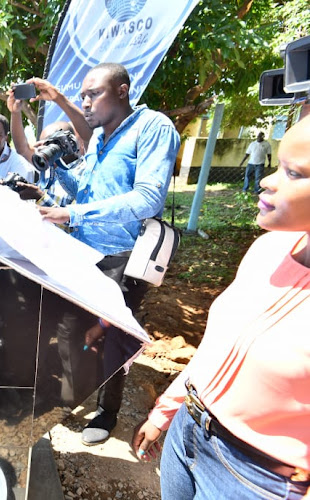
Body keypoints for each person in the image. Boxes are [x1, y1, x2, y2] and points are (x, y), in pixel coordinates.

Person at [131, 114, 310, 500]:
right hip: (188, 433)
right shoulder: (270, 248)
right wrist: (165, 413)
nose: (266, 180)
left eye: (294, 173)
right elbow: (217, 351)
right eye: (277, 165)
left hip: (257, 479)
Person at [36, 63, 180, 446]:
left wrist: (72, 213)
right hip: (83, 253)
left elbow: (148, 198)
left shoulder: (154, 128)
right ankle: (70, 393)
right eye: (82, 95)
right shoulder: (100, 137)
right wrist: (55, 176)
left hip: (125, 255)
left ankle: (107, 411)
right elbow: (85, 188)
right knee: (68, 329)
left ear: (122, 91)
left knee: (109, 338)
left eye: (92, 94)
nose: (85, 102)